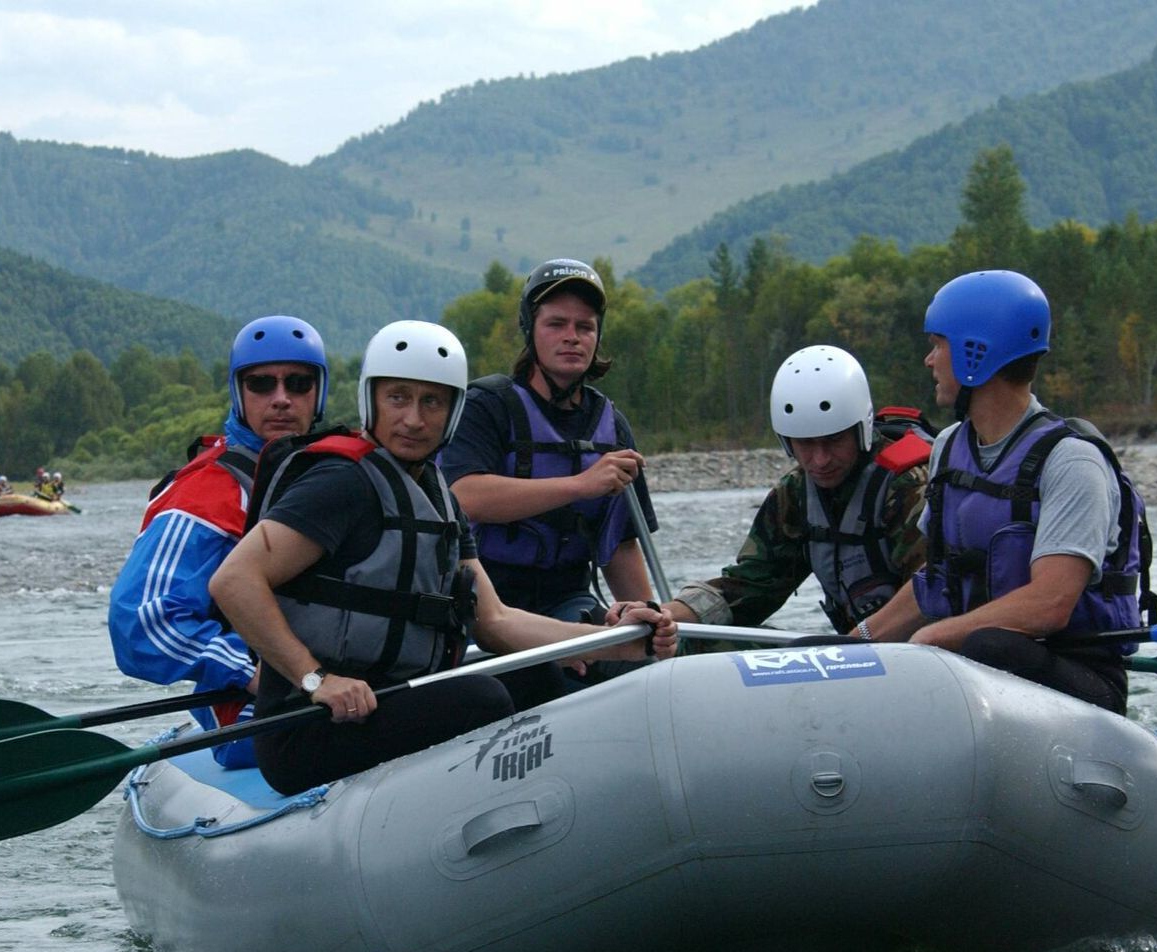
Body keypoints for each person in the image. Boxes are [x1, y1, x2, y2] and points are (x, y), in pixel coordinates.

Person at [209, 319, 677, 796]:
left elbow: (495, 620)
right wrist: (316, 680)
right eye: (398, 398)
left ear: (453, 411)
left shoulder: (438, 497)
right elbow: (235, 580)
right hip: (310, 725)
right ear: (372, 399)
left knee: (533, 674)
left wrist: (616, 641)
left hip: (390, 701)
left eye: (432, 401)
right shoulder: (339, 484)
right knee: (479, 698)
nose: (414, 419)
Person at [860, 270, 1153, 714]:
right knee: (844, 654)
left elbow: (1050, 604)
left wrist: (933, 639)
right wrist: (857, 643)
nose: (929, 359)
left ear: (976, 353)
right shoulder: (948, 446)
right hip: (978, 668)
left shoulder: (1072, 461)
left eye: (938, 344)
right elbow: (936, 582)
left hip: (1080, 680)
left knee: (990, 646)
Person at [108, 315, 328, 767]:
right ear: (238, 392)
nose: (282, 399)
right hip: (253, 714)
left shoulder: (335, 472)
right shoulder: (208, 493)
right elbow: (140, 621)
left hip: (334, 683)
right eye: (262, 384)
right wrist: (252, 670)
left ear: (319, 392)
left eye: (299, 383)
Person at [440, 259, 658, 629]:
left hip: (568, 599)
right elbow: (463, 497)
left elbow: (620, 544)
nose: (572, 336)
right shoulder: (486, 406)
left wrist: (649, 624)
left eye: (585, 327)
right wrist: (580, 486)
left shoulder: (612, 427)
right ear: (531, 330)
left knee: (632, 655)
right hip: (482, 600)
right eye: (556, 324)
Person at [665, 346, 933, 635]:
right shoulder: (795, 493)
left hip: (922, 646)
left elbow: (934, 585)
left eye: (833, 440)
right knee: (694, 643)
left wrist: (857, 643)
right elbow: (752, 586)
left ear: (861, 428)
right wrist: (666, 615)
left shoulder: (907, 485)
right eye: (805, 443)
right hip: (856, 648)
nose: (820, 460)